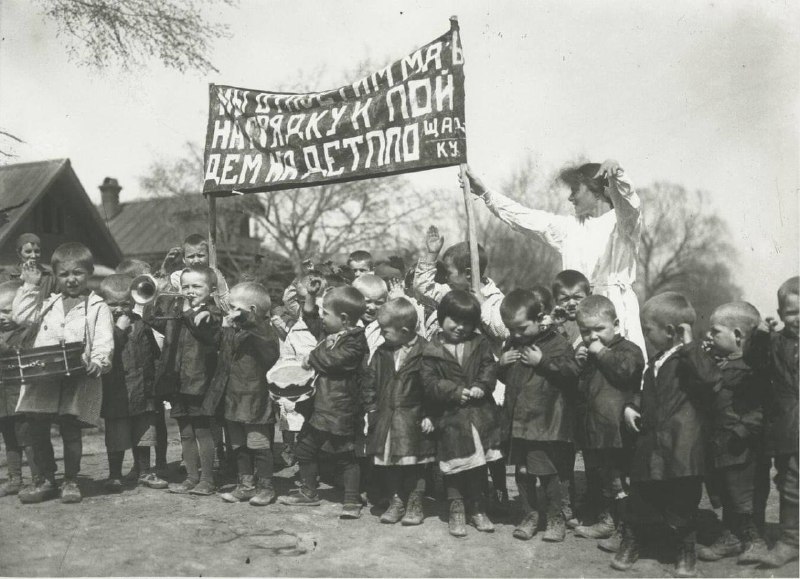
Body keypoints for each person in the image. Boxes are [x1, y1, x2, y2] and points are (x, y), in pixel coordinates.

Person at [464, 161, 646, 355]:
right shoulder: (570, 228)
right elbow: (525, 218)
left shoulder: (623, 222)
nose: (570, 198)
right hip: (578, 313)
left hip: (616, 309)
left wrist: (617, 177)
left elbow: (629, 204)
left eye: (575, 190)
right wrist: (485, 193)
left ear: (596, 189)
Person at [612, 292, 718, 577]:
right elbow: (648, 394)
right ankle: (632, 542)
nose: (645, 336)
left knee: (682, 501)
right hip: (653, 442)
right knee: (642, 495)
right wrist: (632, 406)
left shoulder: (692, 358)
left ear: (670, 331)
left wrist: (689, 345)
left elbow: (709, 379)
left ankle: (686, 551)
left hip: (683, 444)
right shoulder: (655, 362)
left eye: (648, 330)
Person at [414, 230, 510, 513]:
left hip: (483, 384)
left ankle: (500, 490)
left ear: (469, 273)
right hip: (454, 386)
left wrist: (479, 307)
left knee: (491, 447)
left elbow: (502, 330)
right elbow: (423, 289)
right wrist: (430, 256)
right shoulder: (451, 295)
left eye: (450, 272)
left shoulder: (494, 298)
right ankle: (462, 496)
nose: (445, 278)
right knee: (460, 440)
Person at [14, 242, 114, 504]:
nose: (71, 280)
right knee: (38, 428)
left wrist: (99, 360)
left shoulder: (97, 306)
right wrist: (30, 286)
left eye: (78, 273)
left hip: (76, 379)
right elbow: (21, 316)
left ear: (90, 272)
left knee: (71, 430)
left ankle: (71, 479)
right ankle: (46, 479)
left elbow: (104, 340)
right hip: (44, 379)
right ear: (56, 277)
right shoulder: (48, 302)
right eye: (64, 274)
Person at [279, 286, 369, 519]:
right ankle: (309, 491)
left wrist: (312, 357)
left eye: (326, 313)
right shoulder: (331, 333)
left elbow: (335, 361)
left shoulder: (356, 342)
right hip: (319, 408)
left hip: (341, 410)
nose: (322, 318)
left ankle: (351, 499)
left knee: (345, 456)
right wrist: (309, 296)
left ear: (344, 319)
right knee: (305, 449)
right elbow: (311, 320)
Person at [498, 289, 579, 543]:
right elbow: (508, 379)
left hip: (543, 422)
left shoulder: (557, 343)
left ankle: (556, 517)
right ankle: (529, 514)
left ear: (540, 317)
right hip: (517, 421)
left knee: (546, 472)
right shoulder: (513, 343)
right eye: (511, 330)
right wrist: (501, 364)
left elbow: (571, 373)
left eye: (522, 328)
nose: (516, 334)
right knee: (522, 472)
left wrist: (542, 361)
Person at [421, 290, 502, 537]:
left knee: (478, 463)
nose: (460, 327)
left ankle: (477, 507)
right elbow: (428, 381)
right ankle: (456, 509)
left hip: (479, 415)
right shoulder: (432, 349)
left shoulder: (480, 344)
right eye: (453, 321)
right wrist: (454, 391)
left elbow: (489, 366)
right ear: (441, 318)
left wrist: (481, 385)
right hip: (450, 416)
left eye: (467, 322)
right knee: (454, 465)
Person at [695, 302, 765, 563]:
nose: (709, 336)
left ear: (737, 335)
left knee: (741, 495)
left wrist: (742, 431)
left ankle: (754, 539)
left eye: (715, 332)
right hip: (718, 444)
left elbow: (761, 407)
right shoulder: (719, 365)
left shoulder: (751, 371)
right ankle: (730, 536)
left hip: (739, 446)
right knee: (723, 491)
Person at [572, 296, 644, 547]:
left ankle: (626, 531)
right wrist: (579, 364)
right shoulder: (589, 354)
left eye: (599, 329)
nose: (592, 337)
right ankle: (608, 522)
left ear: (615, 323)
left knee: (619, 481)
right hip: (596, 431)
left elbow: (625, 372)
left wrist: (601, 353)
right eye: (585, 331)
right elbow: (582, 390)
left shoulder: (628, 350)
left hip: (618, 433)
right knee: (604, 480)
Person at [363, 298, 434, 525]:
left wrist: (431, 414)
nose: (382, 335)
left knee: (415, 465)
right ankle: (396, 500)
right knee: (390, 463)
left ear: (404, 331)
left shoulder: (427, 351)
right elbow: (370, 380)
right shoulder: (382, 352)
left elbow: (434, 387)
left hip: (413, 418)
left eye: (385, 331)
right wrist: (371, 406)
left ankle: (415, 502)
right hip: (386, 417)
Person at [208, 282, 280, 506]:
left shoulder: (264, 330)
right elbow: (224, 352)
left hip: (254, 398)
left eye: (234, 308)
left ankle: (266, 488)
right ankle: (246, 486)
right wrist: (228, 327)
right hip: (234, 397)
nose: (229, 312)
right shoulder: (236, 329)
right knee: (239, 446)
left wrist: (247, 319)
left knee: (258, 444)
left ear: (252, 310)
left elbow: (267, 344)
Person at [745, 276, 799, 568]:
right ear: (780, 315)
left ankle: (791, 540)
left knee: (794, 482)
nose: (798, 318)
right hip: (786, 426)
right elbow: (754, 362)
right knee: (788, 481)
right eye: (792, 312)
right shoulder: (776, 343)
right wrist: (762, 336)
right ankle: (790, 538)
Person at [97, 274, 167, 492]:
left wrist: (155, 383)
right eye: (113, 304)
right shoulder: (103, 327)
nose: (120, 309)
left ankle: (145, 472)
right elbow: (105, 350)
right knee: (116, 435)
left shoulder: (141, 323)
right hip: (116, 392)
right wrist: (118, 329)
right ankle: (114, 475)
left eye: (125, 303)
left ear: (133, 300)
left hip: (142, 390)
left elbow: (153, 353)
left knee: (144, 434)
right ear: (103, 303)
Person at [160, 266, 222, 496]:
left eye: (196, 286)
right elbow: (154, 319)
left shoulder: (213, 313)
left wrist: (187, 311)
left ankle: (207, 479)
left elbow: (202, 330)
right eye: (185, 286)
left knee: (202, 431)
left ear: (212, 289)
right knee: (185, 432)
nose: (189, 291)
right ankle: (191, 477)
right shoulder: (177, 309)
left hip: (200, 382)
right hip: (178, 380)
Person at [0, 280, 37, 497]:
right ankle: (15, 478)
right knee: (10, 439)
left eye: (7, 311)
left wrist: (5, 348)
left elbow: (25, 356)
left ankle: (38, 477)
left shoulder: (25, 333)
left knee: (27, 438)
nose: (2, 317)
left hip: (20, 396)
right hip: (3, 397)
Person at [166, 234, 230, 311]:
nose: (196, 261)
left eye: (200, 255)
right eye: (191, 256)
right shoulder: (177, 277)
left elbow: (228, 308)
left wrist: (220, 285)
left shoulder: (215, 276)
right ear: (183, 259)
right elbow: (167, 303)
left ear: (208, 256)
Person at [0, 233, 57, 311]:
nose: (33, 256)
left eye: (37, 251)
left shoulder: (50, 275)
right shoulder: (8, 274)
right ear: (19, 253)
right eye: (28, 252)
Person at [552, 269, 592, 349]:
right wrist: (558, 325)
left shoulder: (596, 325)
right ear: (556, 301)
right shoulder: (552, 328)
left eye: (577, 297)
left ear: (589, 296)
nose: (572, 303)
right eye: (565, 299)